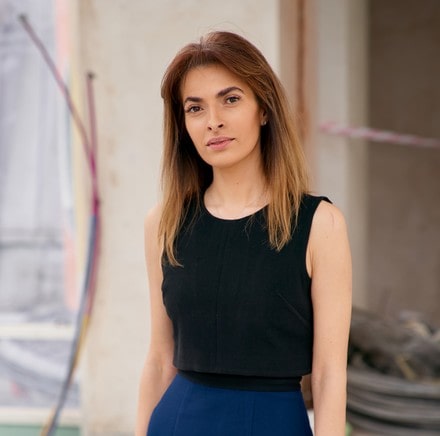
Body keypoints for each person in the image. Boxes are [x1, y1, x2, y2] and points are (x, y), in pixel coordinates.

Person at [135, 31, 352, 436]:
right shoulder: (164, 222)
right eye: (195, 108)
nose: (213, 120)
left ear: (263, 109)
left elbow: (328, 374)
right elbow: (160, 359)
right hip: (177, 422)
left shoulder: (320, 225)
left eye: (230, 99)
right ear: (183, 124)